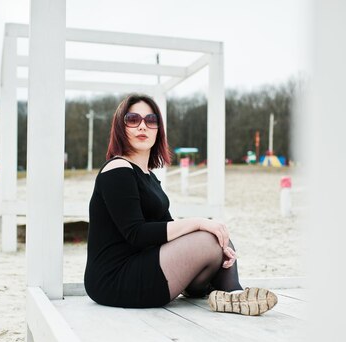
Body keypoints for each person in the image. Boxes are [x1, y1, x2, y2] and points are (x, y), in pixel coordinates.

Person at [84, 94, 277, 315]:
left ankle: (232, 295)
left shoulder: (149, 177)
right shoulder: (117, 169)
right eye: (133, 119)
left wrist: (219, 243)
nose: (142, 126)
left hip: (144, 266)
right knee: (207, 236)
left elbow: (168, 229)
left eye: (151, 120)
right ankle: (232, 295)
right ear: (121, 126)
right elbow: (136, 233)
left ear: (158, 130)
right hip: (114, 279)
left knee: (220, 240)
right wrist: (199, 223)